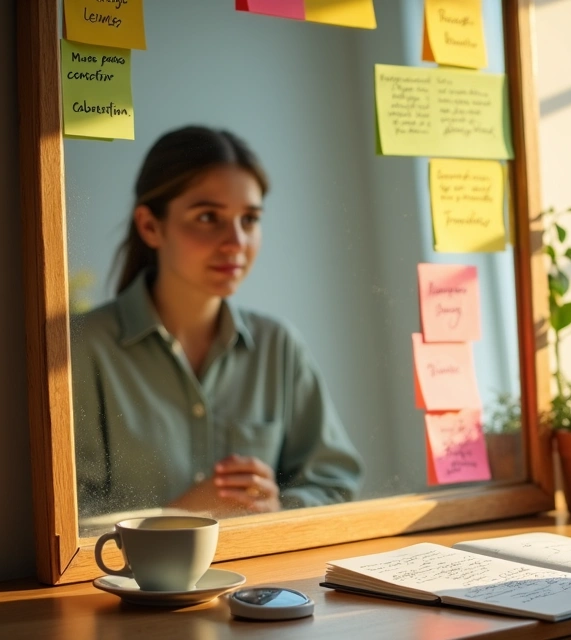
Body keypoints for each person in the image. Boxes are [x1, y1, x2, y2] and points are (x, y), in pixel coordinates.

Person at [73, 125, 363, 519]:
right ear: (150, 226)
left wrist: (279, 508)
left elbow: (336, 485)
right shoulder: (82, 348)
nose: (236, 242)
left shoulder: (278, 346)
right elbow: (65, 521)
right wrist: (177, 518)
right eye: (209, 217)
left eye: (250, 219)